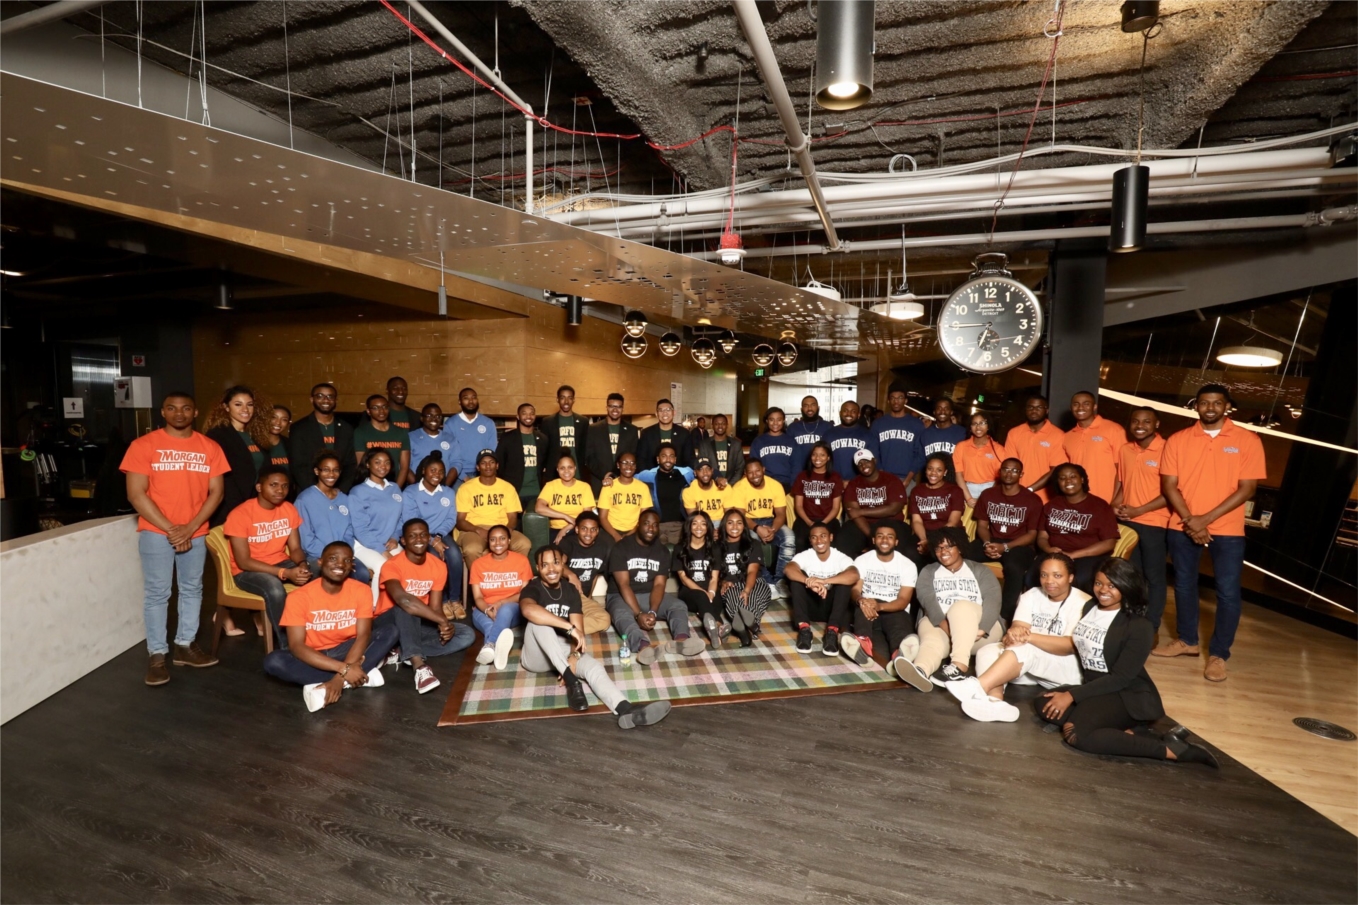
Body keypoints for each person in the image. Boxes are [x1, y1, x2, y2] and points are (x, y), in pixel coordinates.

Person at [1038, 559, 1218, 766]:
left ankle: (1173, 750)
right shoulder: (1090, 607)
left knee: (1075, 733)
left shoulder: (1139, 626)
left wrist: (1071, 695)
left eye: (1112, 585)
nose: (1103, 590)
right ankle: (1135, 733)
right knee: (1044, 702)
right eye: (1099, 583)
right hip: (1097, 689)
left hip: (1126, 695)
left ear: (1127, 585)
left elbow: (1120, 678)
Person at [1153, 384, 1266, 683]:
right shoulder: (1178, 439)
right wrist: (1192, 520)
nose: (1211, 408)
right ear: (1196, 406)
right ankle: (1187, 641)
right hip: (1183, 524)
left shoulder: (1248, 440)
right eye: (1204, 403)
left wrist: (1205, 520)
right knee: (1184, 586)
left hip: (1227, 529)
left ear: (1227, 406)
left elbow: (1248, 489)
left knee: (1228, 593)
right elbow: (1169, 486)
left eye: (1217, 403)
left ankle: (1218, 655)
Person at [121, 391, 227, 685]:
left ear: (195, 413)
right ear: (163, 413)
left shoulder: (209, 447)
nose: (179, 413)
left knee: (193, 589)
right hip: (157, 532)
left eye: (186, 408)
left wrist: (190, 528)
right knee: (158, 593)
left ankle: (185, 645)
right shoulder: (143, 445)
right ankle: (157, 655)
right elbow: (135, 493)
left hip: (195, 530)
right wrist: (172, 529)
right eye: (172, 408)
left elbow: (216, 492)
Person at [519, 545, 674, 729]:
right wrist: (567, 627)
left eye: (556, 563)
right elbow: (528, 609)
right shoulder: (533, 587)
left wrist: (574, 656)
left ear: (563, 564)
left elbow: (579, 632)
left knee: (593, 667)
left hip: (561, 650)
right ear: (538, 567)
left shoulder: (570, 590)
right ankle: (571, 681)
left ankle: (626, 709)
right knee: (538, 623)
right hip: (536, 656)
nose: (551, 569)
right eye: (545, 565)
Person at [948, 551, 1088, 721]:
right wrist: (1012, 636)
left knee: (1025, 647)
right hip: (1030, 666)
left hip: (1065, 669)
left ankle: (977, 686)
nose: (1049, 581)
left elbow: (1068, 646)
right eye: (1044, 575)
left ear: (1071, 577)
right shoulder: (1031, 596)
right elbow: (1018, 628)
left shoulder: (1083, 602)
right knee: (987, 651)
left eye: (1057, 575)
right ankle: (994, 702)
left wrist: (1028, 638)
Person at [262, 541, 399, 713]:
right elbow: (297, 646)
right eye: (333, 558)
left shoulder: (361, 590)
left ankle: (333, 682)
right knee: (273, 661)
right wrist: (344, 669)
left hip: (346, 649)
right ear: (320, 562)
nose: (340, 564)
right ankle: (360, 674)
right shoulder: (299, 597)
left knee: (390, 631)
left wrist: (338, 680)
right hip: (315, 654)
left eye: (347, 560)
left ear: (352, 566)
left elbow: (363, 635)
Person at [895, 527, 1004, 691]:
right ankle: (920, 671)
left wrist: (982, 629)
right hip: (944, 629)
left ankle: (959, 666)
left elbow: (993, 600)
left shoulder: (980, 570)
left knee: (960, 607)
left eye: (948, 546)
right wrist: (954, 632)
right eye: (938, 547)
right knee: (931, 641)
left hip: (981, 634)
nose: (943, 551)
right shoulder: (928, 572)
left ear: (959, 547)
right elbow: (930, 604)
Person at [375, 518, 475, 694]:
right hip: (387, 624)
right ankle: (420, 668)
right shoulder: (392, 565)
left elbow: (435, 607)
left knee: (465, 634)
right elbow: (403, 600)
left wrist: (445, 625)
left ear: (429, 537)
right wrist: (441, 621)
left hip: (416, 622)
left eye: (423, 535)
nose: (419, 539)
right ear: (403, 541)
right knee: (407, 605)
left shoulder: (437, 565)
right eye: (412, 536)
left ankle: (399, 650)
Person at [224, 465, 311, 649]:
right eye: (273, 485)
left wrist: (302, 564)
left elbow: (295, 548)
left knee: (318, 571)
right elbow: (243, 562)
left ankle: (315, 635)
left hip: (279, 562)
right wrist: (285, 573)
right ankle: (289, 646)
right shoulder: (240, 514)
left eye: (285, 486)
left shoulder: (288, 509)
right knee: (275, 588)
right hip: (247, 571)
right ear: (259, 487)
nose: (280, 490)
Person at [605, 509, 706, 664]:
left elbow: (659, 584)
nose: (651, 528)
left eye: (655, 525)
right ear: (638, 525)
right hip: (620, 595)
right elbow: (623, 584)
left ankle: (681, 640)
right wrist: (638, 614)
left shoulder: (662, 551)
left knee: (678, 606)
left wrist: (652, 611)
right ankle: (643, 646)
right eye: (646, 524)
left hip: (648, 593)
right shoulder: (621, 547)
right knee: (622, 614)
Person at [1112, 407, 1170, 630]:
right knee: (1130, 576)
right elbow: (1123, 484)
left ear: (1156, 425)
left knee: (1154, 578)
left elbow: (1171, 493)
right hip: (1127, 523)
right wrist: (1114, 505)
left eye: (1146, 421)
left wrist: (1139, 510)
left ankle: (1151, 627)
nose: (1140, 425)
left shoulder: (1167, 450)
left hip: (1155, 524)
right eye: (1135, 421)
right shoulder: (1126, 449)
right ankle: (1130, 622)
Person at [972, 457, 1043, 623]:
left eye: (1015, 470)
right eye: (1005, 469)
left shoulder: (1032, 499)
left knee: (1014, 568)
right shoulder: (988, 494)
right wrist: (986, 543)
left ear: (1021, 474)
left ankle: (1004, 617)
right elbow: (982, 525)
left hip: (1019, 544)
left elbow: (1032, 535)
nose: (1009, 473)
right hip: (992, 540)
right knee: (962, 555)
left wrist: (1006, 546)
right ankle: (968, 603)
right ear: (1000, 472)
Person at [1034, 463, 1120, 594]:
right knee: (1032, 577)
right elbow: (1042, 536)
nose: (1068, 481)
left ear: (1082, 479)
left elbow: (1109, 543)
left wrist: (1072, 555)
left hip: (1087, 557)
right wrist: (1048, 549)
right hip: (1054, 554)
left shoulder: (1100, 506)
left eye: (1073, 476)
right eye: (1062, 478)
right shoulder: (1052, 505)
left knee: (1076, 581)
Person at [399, 451, 465, 616]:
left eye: (441, 472)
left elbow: (451, 518)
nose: (437, 474)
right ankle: (441, 601)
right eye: (433, 470)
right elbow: (412, 522)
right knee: (435, 558)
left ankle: (454, 599)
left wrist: (438, 537)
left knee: (455, 556)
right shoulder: (410, 492)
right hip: (418, 537)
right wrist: (430, 540)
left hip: (440, 535)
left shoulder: (448, 493)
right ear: (424, 471)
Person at [849, 522, 918, 671]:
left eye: (889, 537)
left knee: (899, 624)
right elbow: (855, 589)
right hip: (868, 607)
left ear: (896, 542)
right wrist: (861, 600)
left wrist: (879, 606)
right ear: (874, 540)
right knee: (862, 608)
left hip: (893, 608)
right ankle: (862, 648)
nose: (885, 540)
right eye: (880, 536)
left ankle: (900, 657)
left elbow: (903, 600)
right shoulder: (862, 560)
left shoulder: (907, 565)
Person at [296, 451, 372, 585]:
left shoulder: (344, 498)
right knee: (327, 576)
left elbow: (349, 531)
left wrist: (344, 554)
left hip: (343, 554)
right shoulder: (304, 499)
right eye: (326, 470)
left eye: (335, 470)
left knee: (361, 574)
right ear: (316, 471)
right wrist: (332, 557)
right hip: (317, 555)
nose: (331, 474)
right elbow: (307, 539)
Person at [784, 521, 858, 657]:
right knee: (796, 581)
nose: (819, 541)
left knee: (844, 582)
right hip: (811, 607)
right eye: (814, 537)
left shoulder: (840, 557)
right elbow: (789, 569)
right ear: (810, 540)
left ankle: (832, 632)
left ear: (830, 537)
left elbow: (854, 575)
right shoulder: (806, 555)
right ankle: (804, 630)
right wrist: (808, 581)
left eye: (823, 536)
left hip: (833, 610)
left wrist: (824, 581)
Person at [468, 524, 533, 670]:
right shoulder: (478, 564)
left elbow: (525, 593)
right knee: (490, 625)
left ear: (509, 540)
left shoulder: (521, 561)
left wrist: (501, 602)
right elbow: (477, 597)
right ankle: (497, 654)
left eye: (502, 538)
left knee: (506, 610)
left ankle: (490, 644)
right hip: (483, 609)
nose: (497, 543)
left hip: (513, 608)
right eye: (493, 539)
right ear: (488, 542)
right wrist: (487, 610)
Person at [204, 385, 270, 527]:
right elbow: (224, 480)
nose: (245, 410)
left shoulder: (255, 435)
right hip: (230, 509)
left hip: (254, 506)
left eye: (249, 404)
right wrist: (240, 510)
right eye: (238, 404)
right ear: (226, 407)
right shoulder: (218, 435)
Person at [348, 449, 405, 601]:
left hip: (388, 542)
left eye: (387, 463)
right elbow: (360, 529)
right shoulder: (358, 492)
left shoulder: (395, 488)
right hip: (363, 544)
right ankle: (373, 609)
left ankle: (398, 607)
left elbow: (401, 518)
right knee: (384, 566)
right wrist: (380, 549)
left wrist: (395, 537)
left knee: (406, 564)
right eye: (377, 462)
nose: (383, 466)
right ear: (368, 464)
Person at [454, 450, 533, 558]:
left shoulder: (508, 488)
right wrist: (478, 530)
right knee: (472, 548)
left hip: (502, 527)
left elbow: (512, 517)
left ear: (497, 465)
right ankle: (479, 575)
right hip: (474, 529)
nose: (488, 466)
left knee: (524, 543)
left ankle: (511, 574)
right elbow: (460, 521)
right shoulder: (466, 488)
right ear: (477, 467)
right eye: (483, 463)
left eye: (491, 462)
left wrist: (505, 532)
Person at [732, 458, 793, 596]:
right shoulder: (739, 487)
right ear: (745, 474)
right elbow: (741, 516)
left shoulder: (775, 485)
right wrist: (757, 528)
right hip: (749, 522)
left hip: (771, 521)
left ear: (763, 470)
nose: (755, 475)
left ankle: (780, 581)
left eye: (757, 471)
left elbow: (780, 514)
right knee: (754, 541)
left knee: (789, 537)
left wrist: (773, 530)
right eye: (750, 473)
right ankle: (767, 582)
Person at [835, 448, 908, 559]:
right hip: (864, 524)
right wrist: (872, 536)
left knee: (902, 544)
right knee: (842, 540)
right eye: (860, 464)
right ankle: (851, 573)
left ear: (874, 461)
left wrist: (862, 511)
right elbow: (853, 514)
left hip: (891, 523)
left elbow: (894, 508)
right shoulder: (854, 483)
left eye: (866, 461)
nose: (864, 466)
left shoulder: (891, 480)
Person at [672, 510, 729, 649]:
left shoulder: (714, 548)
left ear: (708, 527)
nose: (699, 527)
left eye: (703, 524)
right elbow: (684, 578)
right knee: (701, 597)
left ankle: (716, 629)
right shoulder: (680, 548)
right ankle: (719, 625)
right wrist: (703, 593)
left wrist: (711, 592)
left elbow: (714, 578)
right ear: (689, 526)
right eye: (695, 523)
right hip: (689, 593)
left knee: (716, 599)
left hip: (710, 589)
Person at [717, 508, 773, 647]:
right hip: (731, 584)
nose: (735, 527)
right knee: (732, 598)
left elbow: (752, 571)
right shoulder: (717, 547)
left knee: (753, 599)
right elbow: (713, 573)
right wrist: (722, 582)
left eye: (739, 523)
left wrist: (747, 590)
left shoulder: (753, 544)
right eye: (730, 523)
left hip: (754, 582)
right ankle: (752, 628)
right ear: (724, 525)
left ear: (744, 525)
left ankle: (746, 629)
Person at [289, 383, 357, 493]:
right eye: (320, 396)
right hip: (310, 492)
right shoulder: (299, 428)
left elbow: (350, 464)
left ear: (336, 400)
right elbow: (298, 466)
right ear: (312, 399)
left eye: (330, 396)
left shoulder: (346, 428)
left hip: (339, 493)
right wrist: (318, 492)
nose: (326, 400)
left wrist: (340, 490)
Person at [1062, 391, 1127, 503]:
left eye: (1086, 403)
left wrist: (1115, 501)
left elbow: (1123, 469)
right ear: (1071, 407)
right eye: (1076, 404)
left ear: (1095, 406)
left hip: (1106, 501)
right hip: (1077, 501)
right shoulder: (1067, 437)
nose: (1080, 407)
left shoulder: (1114, 430)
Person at [556, 511, 615, 634]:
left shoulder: (603, 547)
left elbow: (594, 576)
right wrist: (571, 575)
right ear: (577, 529)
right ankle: (564, 624)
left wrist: (589, 597)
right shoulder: (568, 542)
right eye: (584, 529)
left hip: (581, 597)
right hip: (563, 593)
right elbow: (558, 563)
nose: (588, 533)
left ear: (598, 531)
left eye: (593, 529)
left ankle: (560, 628)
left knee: (604, 619)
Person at [1004, 394, 1067, 502]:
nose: (1034, 411)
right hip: (1015, 494)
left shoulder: (1058, 435)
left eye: (1039, 407)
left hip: (1044, 498)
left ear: (1046, 410)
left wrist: (1029, 489)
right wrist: (1016, 491)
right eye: (1031, 407)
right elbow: (1010, 466)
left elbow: (1055, 470)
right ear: (1025, 410)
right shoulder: (1014, 433)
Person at [906, 454, 965, 565]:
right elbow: (917, 521)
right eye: (930, 469)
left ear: (945, 473)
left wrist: (933, 542)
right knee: (909, 552)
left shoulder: (955, 491)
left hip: (950, 533)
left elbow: (952, 522)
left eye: (939, 470)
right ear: (925, 471)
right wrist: (924, 540)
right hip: (925, 533)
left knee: (940, 552)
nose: (933, 473)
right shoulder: (917, 491)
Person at [495, 403, 549, 514]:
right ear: (518, 416)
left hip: (535, 492)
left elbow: (544, 464)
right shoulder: (507, 438)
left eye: (531, 414)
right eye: (524, 413)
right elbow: (499, 465)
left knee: (533, 527)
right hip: (513, 491)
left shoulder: (543, 439)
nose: (528, 417)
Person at [790, 441, 843, 552]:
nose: (817, 458)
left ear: (828, 457)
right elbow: (798, 505)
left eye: (822, 455)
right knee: (800, 541)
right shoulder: (802, 476)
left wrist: (823, 524)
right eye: (814, 454)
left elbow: (835, 507)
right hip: (805, 520)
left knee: (836, 542)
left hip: (828, 520)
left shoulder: (835, 477)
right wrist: (810, 523)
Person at [585, 392, 639, 497]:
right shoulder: (593, 429)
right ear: (606, 407)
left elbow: (634, 456)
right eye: (611, 406)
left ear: (623, 408)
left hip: (623, 480)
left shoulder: (632, 430)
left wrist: (615, 475)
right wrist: (605, 475)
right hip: (599, 481)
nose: (615, 410)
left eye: (619, 407)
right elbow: (589, 457)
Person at [536, 452, 597, 543]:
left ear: (575, 468)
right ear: (557, 470)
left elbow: (586, 516)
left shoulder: (584, 487)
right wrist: (565, 516)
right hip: (555, 529)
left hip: (578, 529)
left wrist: (566, 528)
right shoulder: (550, 486)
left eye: (570, 467)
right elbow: (538, 508)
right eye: (562, 468)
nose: (566, 471)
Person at [353, 394, 412, 487]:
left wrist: (396, 489)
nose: (381, 411)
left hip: (394, 484)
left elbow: (404, 468)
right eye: (375, 408)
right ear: (368, 411)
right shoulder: (360, 432)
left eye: (384, 407)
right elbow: (361, 465)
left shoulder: (401, 432)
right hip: (370, 486)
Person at [874, 387, 927, 489]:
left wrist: (908, 479)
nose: (896, 401)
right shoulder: (878, 424)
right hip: (883, 477)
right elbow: (874, 452)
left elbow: (920, 454)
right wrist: (881, 475)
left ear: (905, 401)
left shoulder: (916, 424)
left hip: (907, 479)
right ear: (888, 401)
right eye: (893, 398)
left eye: (900, 398)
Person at [446, 387, 497, 487]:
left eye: (474, 397)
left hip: (483, 474)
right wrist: (464, 477)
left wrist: (484, 474)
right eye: (466, 398)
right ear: (459, 402)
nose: (471, 401)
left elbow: (492, 452)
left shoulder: (488, 423)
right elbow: (448, 454)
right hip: (458, 476)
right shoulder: (450, 424)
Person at [954, 413, 1008, 508]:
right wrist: (969, 498)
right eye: (974, 423)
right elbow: (958, 474)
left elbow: (1000, 477)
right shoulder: (961, 447)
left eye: (982, 423)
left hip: (990, 489)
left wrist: (988, 497)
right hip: (967, 489)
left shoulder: (998, 449)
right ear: (970, 427)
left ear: (988, 426)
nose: (978, 427)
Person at [597, 451, 653, 541]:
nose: (629, 466)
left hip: (634, 531)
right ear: (618, 465)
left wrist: (629, 536)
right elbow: (602, 517)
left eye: (632, 463)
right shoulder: (609, 486)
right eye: (625, 463)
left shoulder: (643, 488)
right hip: (611, 531)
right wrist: (616, 536)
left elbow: (644, 518)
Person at [539, 385, 591, 475]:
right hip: (554, 473)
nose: (566, 401)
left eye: (569, 398)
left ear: (574, 400)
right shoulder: (547, 422)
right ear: (557, 400)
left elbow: (586, 448)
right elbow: (544, 450)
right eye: (562, 398)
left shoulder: (583, 421)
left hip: (577, 472)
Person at [824, 400, 878, 478]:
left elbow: (874, 462)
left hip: (860, 484)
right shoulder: (828, 434)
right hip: (834, 482)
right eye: (845, 411)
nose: (848, 414)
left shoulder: (868, 434)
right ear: (840, 413)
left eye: (853, 411)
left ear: (858, 414)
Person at [649, 443, 690, 546]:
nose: (668, 459)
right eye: (664, 456)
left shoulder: (685, 476)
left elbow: (704, 471)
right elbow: (627, 476)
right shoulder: (648, 476)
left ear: (675, 460)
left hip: (678, 527)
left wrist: (717, 477)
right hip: (656, 527)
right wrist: (611, 477)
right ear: (658, 459)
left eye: (671, 456)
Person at [635, 398, 692, 470]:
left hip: (677, 478)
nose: (665, 413)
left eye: (668, 410)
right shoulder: (647, 433)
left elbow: (689, 459)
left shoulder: (684, 433)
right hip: (652, 478)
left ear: (674, 412)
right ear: (656, 414)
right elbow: (641, 459)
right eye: (661, 410)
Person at [922, 397, 968, 484]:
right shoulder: (925, 434)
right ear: (934, 412)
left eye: (946, 408)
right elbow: (921, 460)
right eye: (939, 408)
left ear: (951, 412)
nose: (942, 411)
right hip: (931, 480)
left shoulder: (962, 433)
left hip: (954, 481)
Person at [748, 407, 797, 488]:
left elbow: (796, 466)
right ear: (767, 421)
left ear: (783, 421)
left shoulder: (791, 441)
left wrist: (793, 486)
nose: (775, 423)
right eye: (771, 420)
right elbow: (753, 465)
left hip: (786, 484)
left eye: (779, 419)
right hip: (765, 484)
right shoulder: (758, 441)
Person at [689, 414, 744, 483]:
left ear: (727, 425)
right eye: (717, 423)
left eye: (723, 423)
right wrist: (716, 479)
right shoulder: (704, 444)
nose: (720, 426)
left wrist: (729, 485)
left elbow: (740, 467)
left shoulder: (736, 444)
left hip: (732, 486)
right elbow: (703, 467)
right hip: (711, 487)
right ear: (712, 425)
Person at [409, 403, 455, 484]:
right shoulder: (411, 437)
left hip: (443, 485)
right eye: (429, 415)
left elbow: (456, 463)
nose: (434, 419)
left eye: (438, 416)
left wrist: (444, 487)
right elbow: (404, 465)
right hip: (416, 486)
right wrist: (417, 486)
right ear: (422, 418)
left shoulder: (450, 439)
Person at [787, 394, 830, 477]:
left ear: (818, 408)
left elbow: (831, 453)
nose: (809, 409)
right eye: (806, 406)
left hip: (823, 474)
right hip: (798, 474)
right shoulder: (792, 428)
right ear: (801, 409)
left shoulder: (828, 427)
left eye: (813, 405)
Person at [267, 405, 291, 475]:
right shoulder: (254, 443)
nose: (278, 422)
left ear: (288, 423)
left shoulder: (290, 444)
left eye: (284, 420)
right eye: (273, 417)